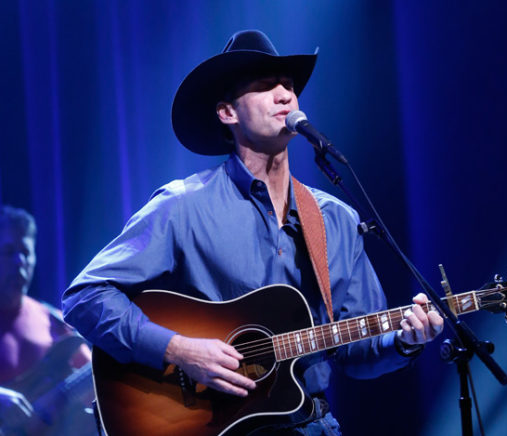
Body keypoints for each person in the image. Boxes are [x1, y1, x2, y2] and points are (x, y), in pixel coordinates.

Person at [62, 30, 444, 435]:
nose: (284, 96)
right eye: (266, 86)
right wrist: (178, 349)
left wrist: (405, 341)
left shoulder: (335, 218)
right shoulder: (183, 206)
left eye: (289, 86)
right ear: (228, 112)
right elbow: (84, 297)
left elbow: (357, 352)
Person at [0, 205, 94, 435]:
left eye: (26, 252)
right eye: (9, 251)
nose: (20, 261)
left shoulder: (55, 322)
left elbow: (98, 383)